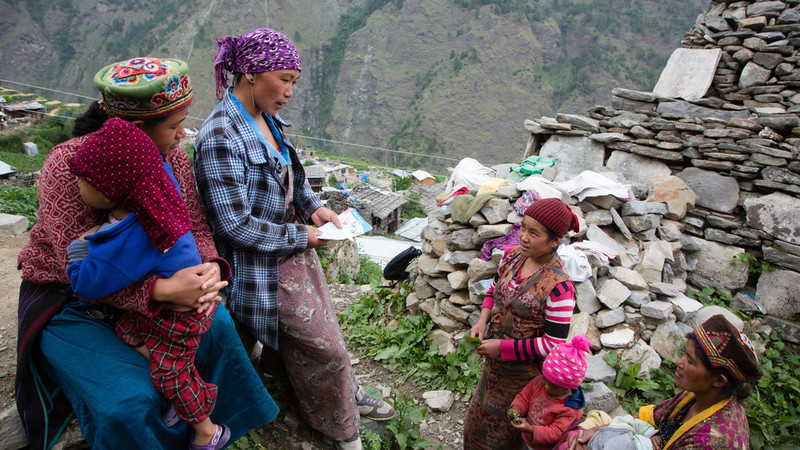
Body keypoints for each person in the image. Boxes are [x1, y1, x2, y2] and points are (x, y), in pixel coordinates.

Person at [15, 57, 278, 449]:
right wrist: (162, 292)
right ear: (137, 130)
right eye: (174, 126)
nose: (182, 134)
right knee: (127, 401)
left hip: (161, 282)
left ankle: (216, 430)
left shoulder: (170, 157)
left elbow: (195, 226)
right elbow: (83, 275)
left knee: (218, 327)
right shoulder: (68, 167)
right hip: (71, 302)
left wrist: (208, 271)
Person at [193, 28, 394, 450]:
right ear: (249, 73)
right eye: (283, 78)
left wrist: (314, 208)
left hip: (294, 249)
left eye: (294, 82)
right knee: (328, 349)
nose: (288, 91)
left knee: (323, 333)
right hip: (260, 264)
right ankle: (341, 428)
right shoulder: (220, 136)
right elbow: (233, 225)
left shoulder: (266, 119)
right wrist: (300, 234)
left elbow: (291, 179)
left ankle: (331, 393)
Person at [65, 117, 229, 449]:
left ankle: (207, 431)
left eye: (84, 181)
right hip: (188, 300)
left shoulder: (127, 239)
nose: (78, 187)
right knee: (126, 330)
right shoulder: (158, 182)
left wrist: (81, 247)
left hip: (180, 316)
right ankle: (172, 389)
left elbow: (85, 284)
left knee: (170, 373)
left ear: (110, 191)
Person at [464, 197, 580, 449]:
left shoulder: (559, 287)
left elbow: (553, 344)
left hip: (524, 383)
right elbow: (493, 290)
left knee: (504, 439)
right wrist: (482, 321)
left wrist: (502, 349)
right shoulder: (511, 257)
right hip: (492, 373)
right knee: (474, 430)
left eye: (534, 233)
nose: (524, 237)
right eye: (523, 227)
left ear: (554, 241)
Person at [568, 314, 763, 450]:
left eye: (690, 361)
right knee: (590, 426)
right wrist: (598, 430)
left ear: (718, 381)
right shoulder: (697, 397)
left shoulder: (711, 442)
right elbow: (651, 417)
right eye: (684, 354)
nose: (679, 362)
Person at [508, 335, 589, 450]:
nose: (545, 386)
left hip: (543, 447)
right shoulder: (539, 382)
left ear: (567, 387)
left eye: (554, 387)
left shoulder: (570, 409)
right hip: (527, 436)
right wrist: (517, 408)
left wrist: (531, 430)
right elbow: (524, 396)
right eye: (545, 380)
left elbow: (556, 433)